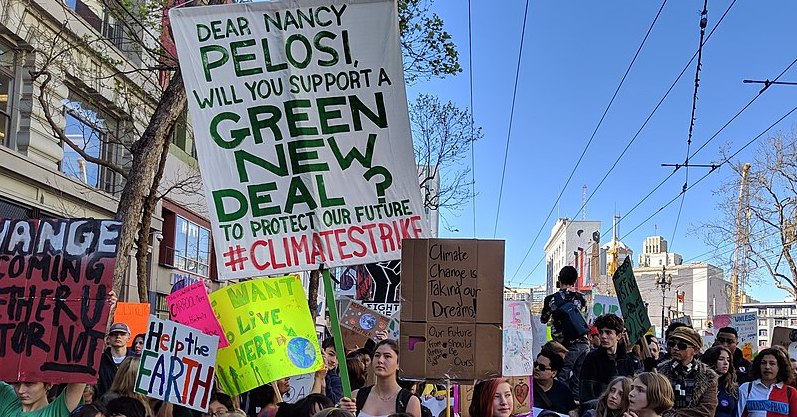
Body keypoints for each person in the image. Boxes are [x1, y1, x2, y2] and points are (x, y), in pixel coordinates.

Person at [338, 339, 422, 417]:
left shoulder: (409, 401)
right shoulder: (356, 395)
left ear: (398, 363)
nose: (380, 360)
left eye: (387, 356)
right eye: (377, 355)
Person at [541, 266, 590, 395]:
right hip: (583, 344)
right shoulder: (582, 299)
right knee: (579, 379)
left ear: (559, 279)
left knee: (561, 378)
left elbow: (543, 320)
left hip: (562, 347)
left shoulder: (551, 299)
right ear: (574, 281)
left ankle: (562, 409)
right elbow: (584, 319)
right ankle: (576, 407)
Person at [656, 326, 718, 417]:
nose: (675, 348)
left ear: (696, 350)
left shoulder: (709, 376)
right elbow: (654, 404)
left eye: (682, 345)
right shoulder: (659, 372)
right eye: (672, 344)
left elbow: (707, 411)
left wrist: (671, 415)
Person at [580, 314, 642, 403]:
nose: (603, 336)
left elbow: (631, 390)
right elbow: (587, 395)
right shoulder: (592, 358)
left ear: (618, 336)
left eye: (608, 332)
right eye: (601, 332)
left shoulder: (626, 360)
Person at [737, 347, 797, 417]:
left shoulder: (790, 393)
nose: (767, 367)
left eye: (772, 363)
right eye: (763, 363)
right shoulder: (746, 388)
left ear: (779, 367)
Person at [533, 349, 577, 415]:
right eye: (536, 364)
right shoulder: (527, 387)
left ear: (553, 373)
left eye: (542, 367)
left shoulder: (564, 390)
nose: (537, 368)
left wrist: (575, 412)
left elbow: (572, 408)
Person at [97, 322, 135, 397]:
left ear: (129, 337)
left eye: (122, 334)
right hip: (105, 404)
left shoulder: (136, 359)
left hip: (131, 403)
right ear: (108, 338)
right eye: (114, 334)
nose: (118, 337)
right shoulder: (99, 360)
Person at [700, 346, 738, 417]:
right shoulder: (700, 384)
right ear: (711, 360)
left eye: (728, 360)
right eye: (721, 359)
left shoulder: (731, 388)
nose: (726, 363)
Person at [313, 338, 343, 404]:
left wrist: (324, 376)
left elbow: (333, 402)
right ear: (322, 351)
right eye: (331, 354)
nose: (334, 361)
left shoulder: (336, 381)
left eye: (338, 358)